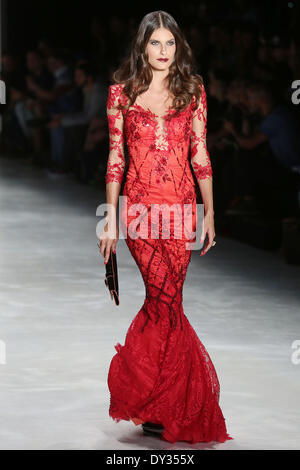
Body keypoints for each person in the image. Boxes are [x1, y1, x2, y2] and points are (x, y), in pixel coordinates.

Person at [99, 10, 233, 444]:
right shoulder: (121, 93)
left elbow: (200, 154)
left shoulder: (192, 91)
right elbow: (116, 158)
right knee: (162, 296)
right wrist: (110, 218)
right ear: (142, 46)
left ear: (179, 47)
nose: (162, 51)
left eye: (169, 43)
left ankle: (160, 399)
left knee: (167, 302)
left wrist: (210, 212)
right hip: (139, 211)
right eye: (154, 43)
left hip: (180, 210)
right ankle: (168, 401)